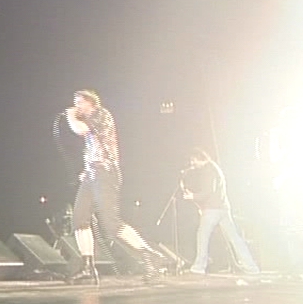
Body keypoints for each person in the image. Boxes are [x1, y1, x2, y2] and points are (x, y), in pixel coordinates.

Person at [64, 89, 162, 285]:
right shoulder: (90, 120)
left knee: (111, 222)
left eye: (80, 102)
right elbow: (94, 147)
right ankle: (88, 267)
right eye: (75, 103)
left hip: (106, 173)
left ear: (90, 102)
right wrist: (86, 170)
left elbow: (80, 130)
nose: (76, 106)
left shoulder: (101, 114)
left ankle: (149, 256)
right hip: (92, 174)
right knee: (79, 218)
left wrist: (70, 116)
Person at [179, 147, 260, 275]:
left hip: (213, 210)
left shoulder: (208, 170)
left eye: (193, 160)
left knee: (202, 237)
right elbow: (213, 192)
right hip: (223, 208)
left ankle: (199, 267)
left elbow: (208, 192)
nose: (192, 163)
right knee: (234, 238)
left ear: (200, 158)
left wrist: (193, 196)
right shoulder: (214, 168)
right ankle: (251, 267)